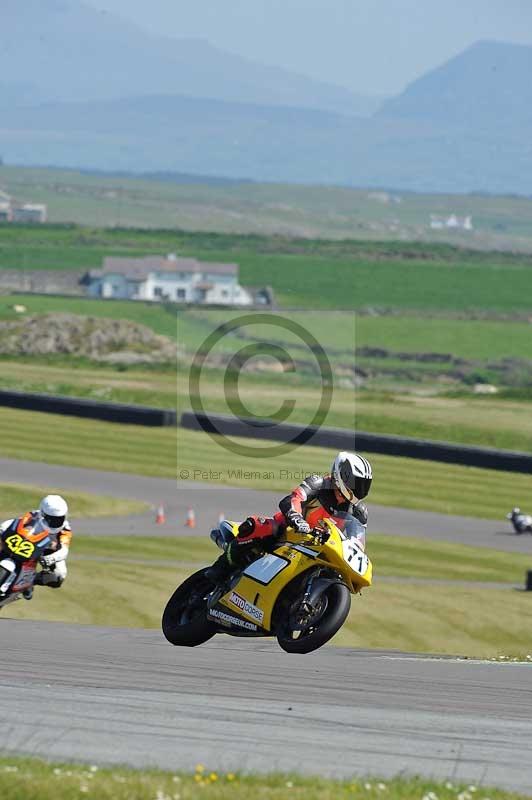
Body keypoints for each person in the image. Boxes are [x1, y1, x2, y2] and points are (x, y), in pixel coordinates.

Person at [206, 451, 373, 583]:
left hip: (319, 548)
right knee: (257, 525)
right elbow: (293, 500)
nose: (360, 489)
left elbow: (357, 542)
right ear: (342, 475)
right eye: (357, 483)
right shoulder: (318, 484)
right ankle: (220, 567)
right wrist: (297, 518)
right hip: (288, 532)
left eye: (364, 485)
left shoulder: (358, 512)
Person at [0, 494, 72, 599]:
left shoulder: (65, 530)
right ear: (43, 513)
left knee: (59, 575)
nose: (55, 522)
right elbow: (15, 522)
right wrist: (2, 529)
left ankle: (30, 583)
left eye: (59, 519)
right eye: (51, 519)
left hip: (48, 552)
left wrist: (51, 558)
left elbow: (64, 550)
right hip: (25, 544)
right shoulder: (32, 516)